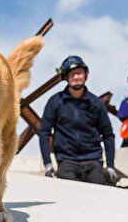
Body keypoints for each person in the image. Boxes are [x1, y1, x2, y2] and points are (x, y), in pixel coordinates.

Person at [38, 55, 117, 185]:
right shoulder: (55, 102)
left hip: (93, 161)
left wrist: (110, 166)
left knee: (100, 198)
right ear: (65, 77)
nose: (76, 77)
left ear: (85, 75)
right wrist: (48, 163)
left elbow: (108, 135)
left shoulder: (96, 103)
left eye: (79, 73)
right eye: (72, 74)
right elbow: (44, 132)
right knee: (68, 199)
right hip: (66, 161)